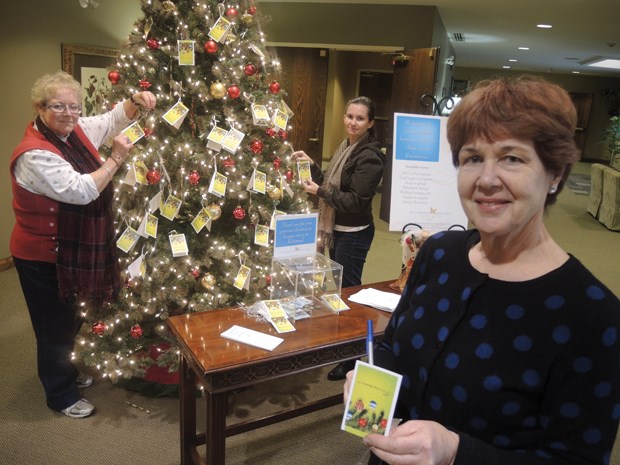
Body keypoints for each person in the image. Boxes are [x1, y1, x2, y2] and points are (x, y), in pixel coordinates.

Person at [345, 76, 620, 465]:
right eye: (473, 158)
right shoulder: (438, 253)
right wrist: (371, 377)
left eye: (512, 157)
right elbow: (393, 347)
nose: (487, 179)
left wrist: (457, 451)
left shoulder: (592, 315)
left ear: (555, 174)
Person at [9, 71, 156, 418]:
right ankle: (59, 394)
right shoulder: (34, 154)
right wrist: (116, 159)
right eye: (58, 106)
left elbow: (109, 120)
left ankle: (67, 372)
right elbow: (82, 191)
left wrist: (135, 102)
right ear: (40, 108)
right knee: (53, 326)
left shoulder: (73, 132)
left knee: (72, 318)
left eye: (74, 107)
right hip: (43, 256)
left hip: (71, 252)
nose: (69, 114)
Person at [292, 96, 385, 380]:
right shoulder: (346, 147)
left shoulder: (370, 156)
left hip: (354, 235)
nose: (352, 122)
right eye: (349, 116)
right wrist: (311, 166)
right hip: (339, 232)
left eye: (359, 118)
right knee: (340, 291)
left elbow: (353, 201)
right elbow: (332, 184)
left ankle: (353, 358)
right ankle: (345, 347)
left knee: (350, 295)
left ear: (370, 123)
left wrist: (318, 192)